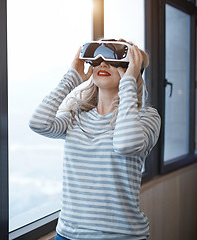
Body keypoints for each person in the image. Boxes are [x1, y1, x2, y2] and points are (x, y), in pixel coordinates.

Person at [29, 39, 161, 240]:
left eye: (116, 60)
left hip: (120, 236)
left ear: (132, 70)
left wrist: (128, 83)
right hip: (67, 235)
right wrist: (72, 77)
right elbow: (38, 123)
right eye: (97, 60)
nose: (103, 64)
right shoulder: (76, 116)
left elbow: (126, 145)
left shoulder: (146, 118)